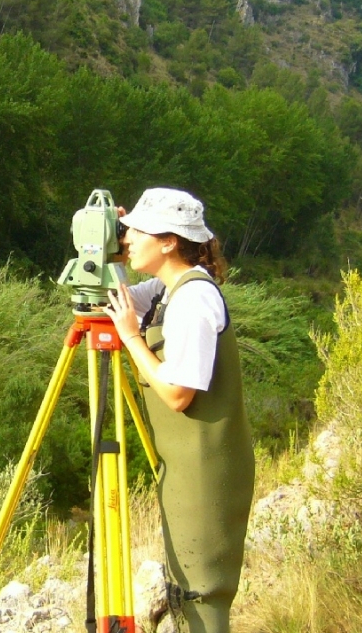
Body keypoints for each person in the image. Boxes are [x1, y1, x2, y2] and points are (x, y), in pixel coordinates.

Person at [102, 187, 254, 633]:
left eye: (137, 232)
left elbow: (177, 394)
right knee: (187, 590)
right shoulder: (170, 291)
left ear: (169, 241)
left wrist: (131, 338)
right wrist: (108, 243)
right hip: (189, 468)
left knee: (201, 593)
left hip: (208, 474)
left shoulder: (193, 300)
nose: (128, 239)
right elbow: (117, 298)